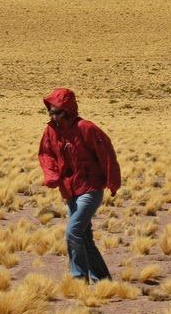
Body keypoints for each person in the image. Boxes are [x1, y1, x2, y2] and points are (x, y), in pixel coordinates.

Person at [38, 87, 120, 283]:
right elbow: (45, 153)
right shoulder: (51, 131)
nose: (53, 115)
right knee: (84, 236)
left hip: (90, 189)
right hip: (69, 190)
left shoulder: (86, 128)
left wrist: (113, 181)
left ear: (68, 109)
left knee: (73, 232)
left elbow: (106, 153)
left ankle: (78, 277)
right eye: (50, 111)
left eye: (57, 111)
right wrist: (51, 175)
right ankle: (101, 279)